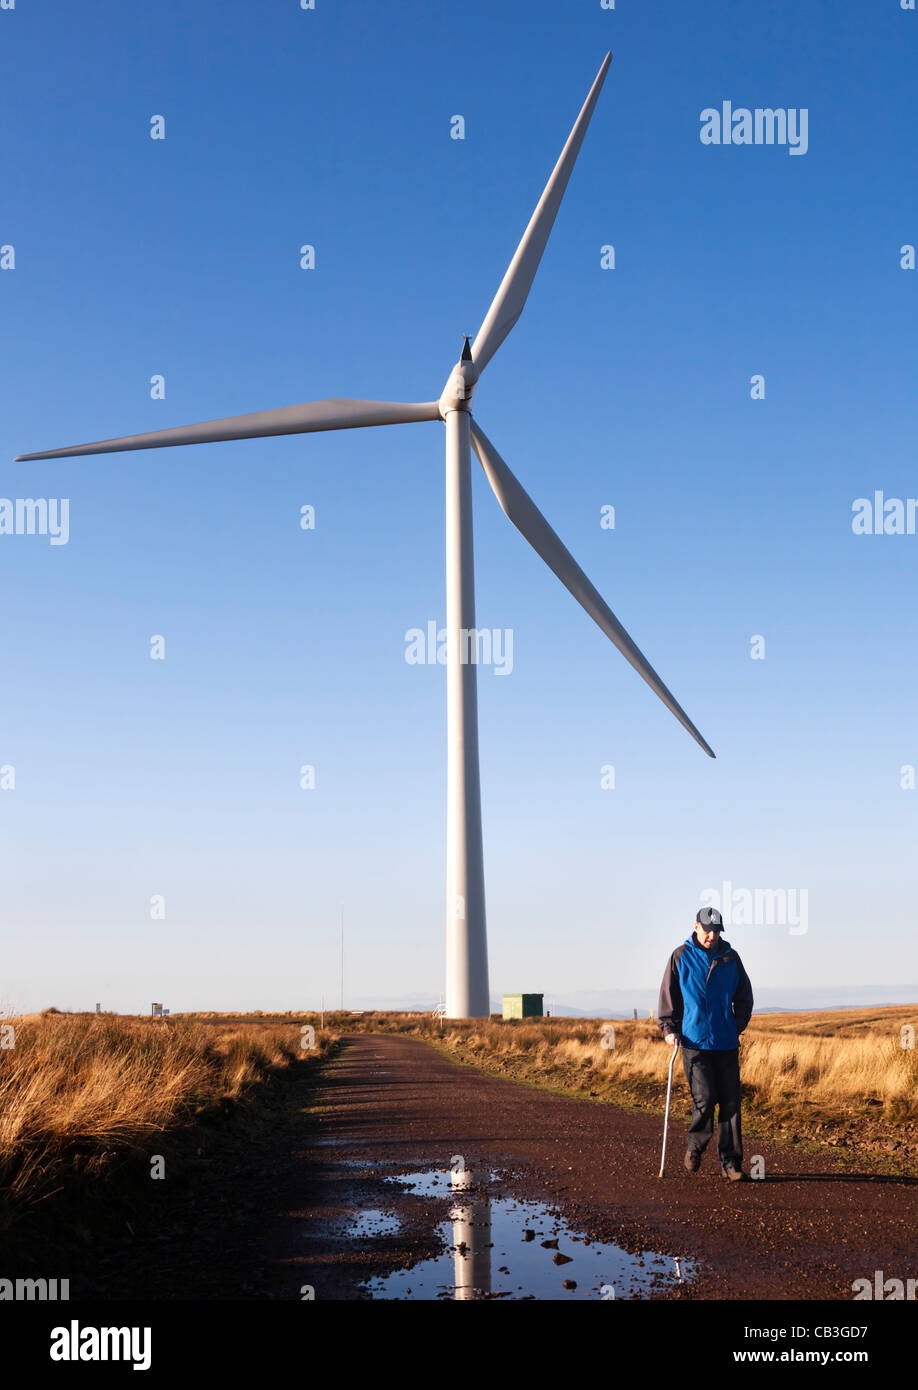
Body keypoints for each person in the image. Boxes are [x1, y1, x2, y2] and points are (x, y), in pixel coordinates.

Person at [657, 906, 754, 1180]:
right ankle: (696, 1146)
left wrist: (735, 1025)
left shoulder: (730, 958)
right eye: (707, 930)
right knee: (705, 1098)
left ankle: (731, 1164)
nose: (712, 936)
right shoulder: (681, 956)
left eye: (716, 931)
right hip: (694, 1042)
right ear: (696, 926)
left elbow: (744, 996)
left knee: (731, 1102)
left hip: (725, 1043)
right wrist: (668, 1028)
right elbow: (669, 996)